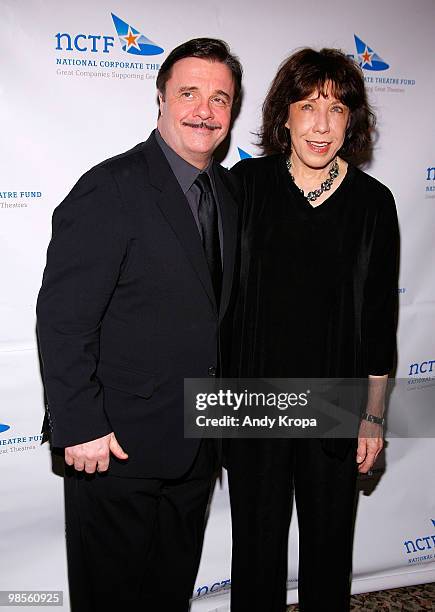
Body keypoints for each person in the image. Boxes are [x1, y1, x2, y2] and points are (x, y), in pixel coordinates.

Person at [36, 38, 242, 612]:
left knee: (167, 594)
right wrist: (78, 424)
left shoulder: (227, 193)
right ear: (160, 98)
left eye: (220, 98)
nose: (204, 110)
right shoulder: (111, 187)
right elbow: (61, 318)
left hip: (197, 444)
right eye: (189, 93)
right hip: (114, 448)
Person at [226, 48, 399, 611]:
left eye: (337, 109)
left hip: (335, 404)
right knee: (255, 553)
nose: (321, 125)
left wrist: (373, 416)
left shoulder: (374, 203)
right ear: (284, 116)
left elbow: (378, 318)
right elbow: (211, 299)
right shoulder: (245, 186)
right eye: (307, 106)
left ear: (352, 121)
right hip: (253, 401)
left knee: (329, 553)